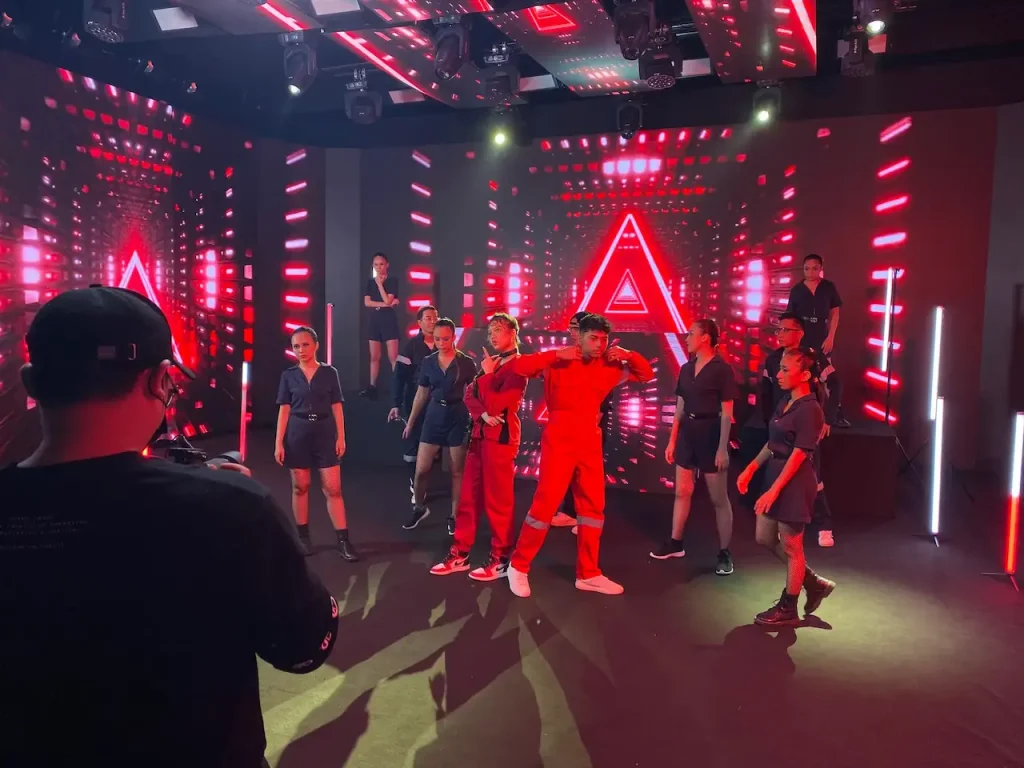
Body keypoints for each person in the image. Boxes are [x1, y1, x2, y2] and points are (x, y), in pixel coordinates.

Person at [0, 287, 338, 767]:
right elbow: (304, 647)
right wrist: (247, 518)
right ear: (160, 380)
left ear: (30, 382)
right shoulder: (232, 509)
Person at [505, 313, 655, 598]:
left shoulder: (610, 365)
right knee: (545, 506)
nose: (599, 344)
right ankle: (519, 566)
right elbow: (518, 366)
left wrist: (629, 354)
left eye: (604, 339)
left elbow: (646, 374)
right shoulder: (559, 360)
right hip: (559, 440)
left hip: (589, 441)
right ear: (579, 336)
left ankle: (588, 573)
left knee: (593, 508)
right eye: (593, 338)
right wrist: (554, 355)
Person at [737, 348, 836, 626]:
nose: (778, 374)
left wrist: (774, 490)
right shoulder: (785, 401)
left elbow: (799, 455)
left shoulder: (810, 409)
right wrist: (751, 468)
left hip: (795, 482)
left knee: (792, 546)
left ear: (804, 375)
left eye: (785, 369)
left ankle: (788, 607)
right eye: (779, 368)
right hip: (775, 473)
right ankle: (812, 581)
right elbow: (773, 443)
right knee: (763, 537)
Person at [431, 313, 528, 580]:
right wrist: (483, 414)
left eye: (498, 330)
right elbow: (469, 395)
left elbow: (499, 404)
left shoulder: (519, 366)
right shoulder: (491, 362)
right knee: (468, 499)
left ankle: (500, 558)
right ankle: (460, 553)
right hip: (479, 436)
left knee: (498, 502)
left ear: (513, 332)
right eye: (490, 331)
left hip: (501, 441)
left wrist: (487, 380)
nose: (492, 335)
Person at [652, 319, 737, 576]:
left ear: (705, 338)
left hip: (711, 433)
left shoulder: (722, 370)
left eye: (691, 334)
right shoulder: (686, 368)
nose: (686, 338)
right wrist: (672, 440)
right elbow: (680, 407)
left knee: (718, 499)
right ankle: (675, 543)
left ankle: (724, 552)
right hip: (688, 433)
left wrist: (722, 448)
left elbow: (727, 413)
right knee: (682, 492)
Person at [275, 326, 358, 561]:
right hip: (297, 433)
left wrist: (341, 436)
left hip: (324, 432)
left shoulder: (330, 373)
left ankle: (343, 541)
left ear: (316, 345)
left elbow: (337, 406)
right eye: (296, 346)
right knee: (300, 486)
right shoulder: (288, 375)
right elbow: (284, 409)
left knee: (333, 489)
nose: (301, 350)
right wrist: (279, 442)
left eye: (305, 345)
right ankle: (303, 537)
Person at [761, 312, 838, 547]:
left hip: (805, 424)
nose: (780, 334)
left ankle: (824, 525)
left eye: (786, 330)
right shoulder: (772, 360)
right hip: (781, 424)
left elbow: (835, 384)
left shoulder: (812, 358)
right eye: (778, 329)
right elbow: (765, 392)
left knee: (813, 475)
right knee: (780, 471)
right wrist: (769, 421)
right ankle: (780, 523)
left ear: (800, 333)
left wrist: (827, 419)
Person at [403, 318, 478, 533]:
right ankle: (419, 508)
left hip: (457, 416)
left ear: (453, 337)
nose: (441, 343)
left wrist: (478, 418)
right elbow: (421, 393)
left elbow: (474, 393)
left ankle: (455, 515)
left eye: (445, 339)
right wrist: (411, 422)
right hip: (434, 415)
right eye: (437, 339)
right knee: (421, 470)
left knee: (457, 472)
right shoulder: (428, 362)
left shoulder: (466, 363)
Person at [550, 310, 613, 532]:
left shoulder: (599, 358)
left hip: (590, 425)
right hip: (571, 424)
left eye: (576, 328)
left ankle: (587, 518)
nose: (572, 332)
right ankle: (570, 512)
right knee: (570, 470)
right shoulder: (569, 357)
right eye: (571, 327)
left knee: (588, 476)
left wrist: (591, 425)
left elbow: (601, 398)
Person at [786, 253, 850, 427]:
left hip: (822, 335)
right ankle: (797, 414)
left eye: (815, 269)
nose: (810, 272)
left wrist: (831, 337)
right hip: (802, 336)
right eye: (807, 269)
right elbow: (790, 317)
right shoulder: (797, 290)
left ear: (821, 268)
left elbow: (835, 314)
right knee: (801, 375)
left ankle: (834, 414)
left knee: (828, 377)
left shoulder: (828, 287)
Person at [388, 305, 438, 499]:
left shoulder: (445, 344)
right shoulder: (411, 347)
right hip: (415, 402)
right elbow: (399, 377)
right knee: (414, 444)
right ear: (419, 322)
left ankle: (426, 482)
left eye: (435, 317)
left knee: (434, 446)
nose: (432, 321)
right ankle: (415, 483)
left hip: (439, 404)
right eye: (428, 318)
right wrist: (396, 403)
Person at [360, 251, 401, 400]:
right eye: (376, 265)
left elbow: (388, 299)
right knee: (374, 356)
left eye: (381, 264)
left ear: (387, 265)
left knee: (393, 356)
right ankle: (372, 387)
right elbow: (367, 302)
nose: (379, 267)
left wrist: (380, 285)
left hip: (389, 320)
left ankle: (398, 387)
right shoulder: (370, 282)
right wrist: (386, 304)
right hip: (375, 320)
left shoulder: (392, 280)